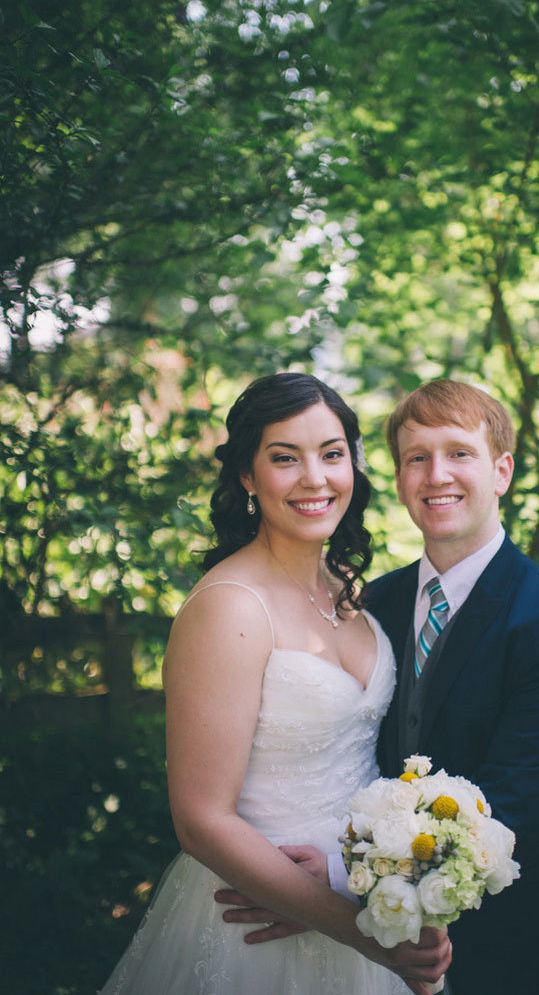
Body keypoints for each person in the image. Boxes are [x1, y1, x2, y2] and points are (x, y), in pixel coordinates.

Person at [219, 378, 539, 995]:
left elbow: (508, 795)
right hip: (400, 943)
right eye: (417, 457)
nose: (436, 474)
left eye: (458, 453)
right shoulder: (370, 605)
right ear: (398, 478)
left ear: (501, 472)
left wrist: (337, 878)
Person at [98, 373, 450, 995]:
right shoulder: (229, 607)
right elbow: (202, 818)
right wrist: (359, 930)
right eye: (285, 458)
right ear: (247, 477)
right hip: (258, 919)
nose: (314, 478)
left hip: (357, 890)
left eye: (331, 454)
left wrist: (380, 889)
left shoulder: (347, 591)